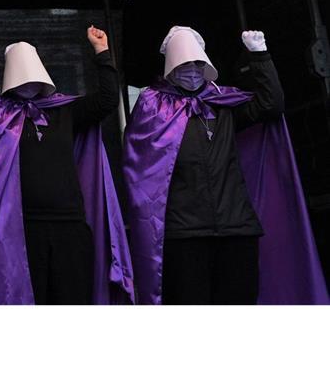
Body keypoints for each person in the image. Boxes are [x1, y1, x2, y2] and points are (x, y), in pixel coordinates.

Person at [123, 26, 328, 304]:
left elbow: (271, 105)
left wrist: (260, 57)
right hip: (185, 234)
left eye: (198, 64)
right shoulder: (152, 107)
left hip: (235, 227)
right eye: (185, 64)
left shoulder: (222, 105)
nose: (193, 70)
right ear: (171, 68)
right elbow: (139, 169)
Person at [0, 28, 133, 304]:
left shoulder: (64, 111)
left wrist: (102, 52)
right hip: (24, 229)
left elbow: (107, 100)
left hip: (69, 225)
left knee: (72, 299)